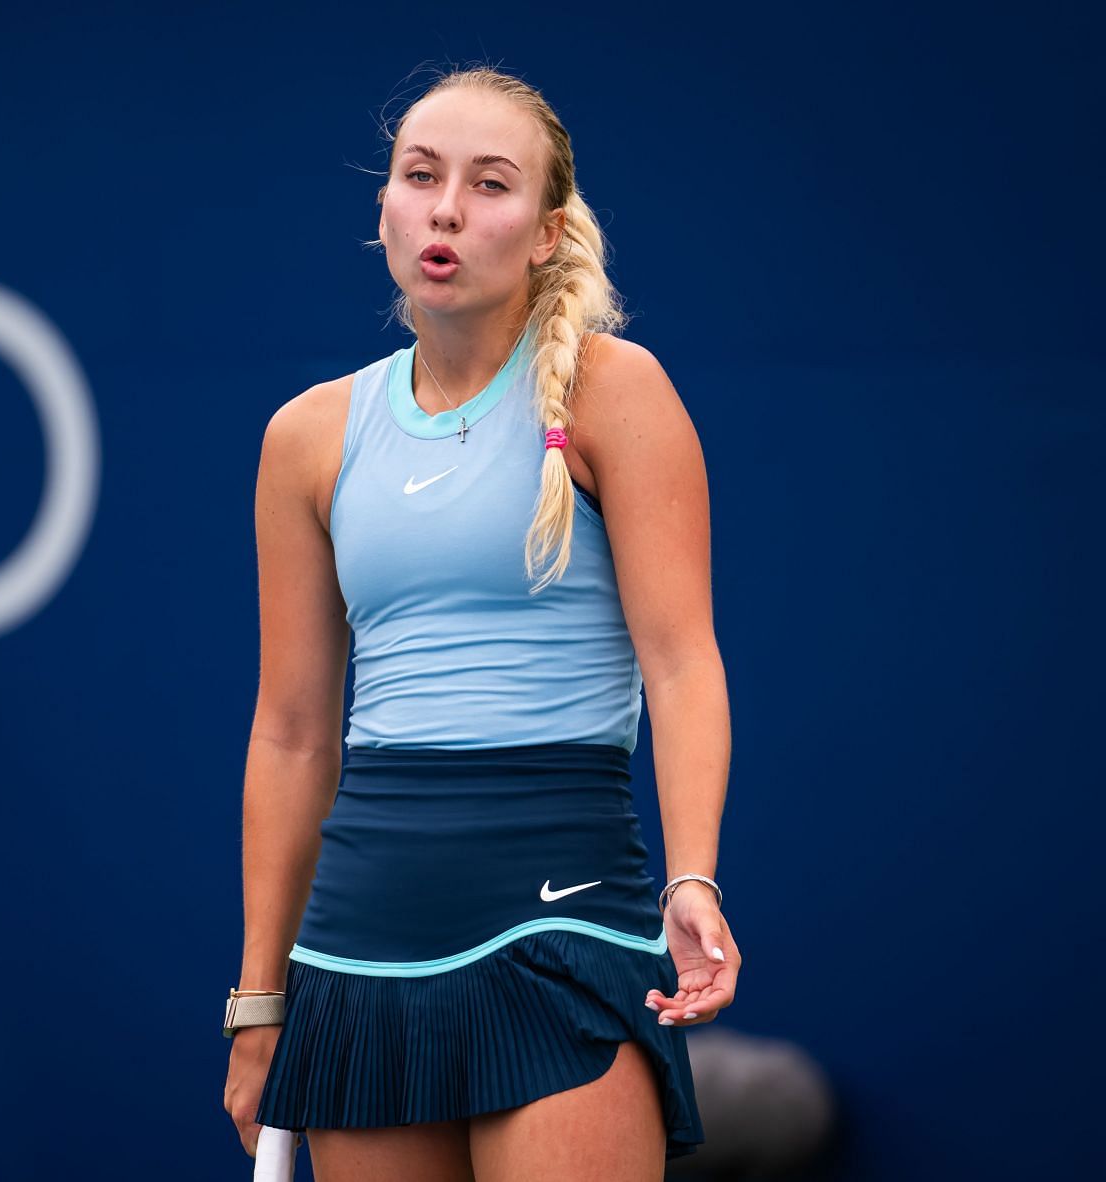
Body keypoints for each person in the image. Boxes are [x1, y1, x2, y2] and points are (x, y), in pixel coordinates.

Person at [221, 65, 741, 1181]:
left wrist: (691, 877)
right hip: (361, 942)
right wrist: (260, 998)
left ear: (550, 233)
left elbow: (681, 661)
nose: (448, 207)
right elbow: (294, 733)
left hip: (560, 918)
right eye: (421, 176)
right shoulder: (306, 438)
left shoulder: (617, 392)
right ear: (386, 211)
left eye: (490, 185)